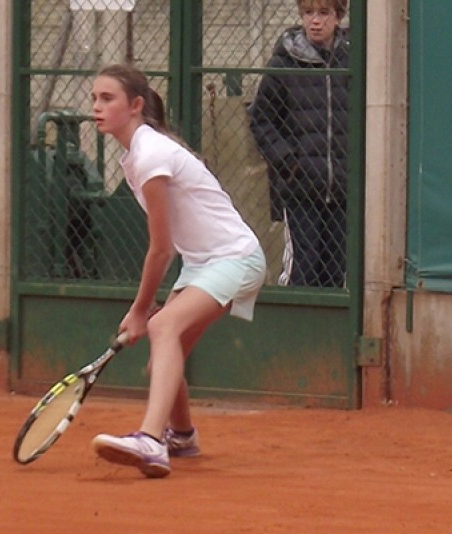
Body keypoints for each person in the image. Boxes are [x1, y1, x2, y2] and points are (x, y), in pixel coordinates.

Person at [88, 64, 267, 478]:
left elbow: (161, 249)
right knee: (163, 360)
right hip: (203, 262)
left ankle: (151, 441)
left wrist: (140, 310)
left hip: (234, 257)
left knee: (162, 326)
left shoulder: (151, 154)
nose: (96, 107)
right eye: (94, 98)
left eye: (107, 98)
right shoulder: (136, 155)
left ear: (136, 105)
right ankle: (182, 435)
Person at [248, 0, 350, 287]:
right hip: (300, 188)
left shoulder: (353, 61)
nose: (315, 21)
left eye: (323, 13)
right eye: (308, 13)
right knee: (302, 268)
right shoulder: (284, 64)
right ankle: (292, 314)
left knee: (336, 270)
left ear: (338, 16)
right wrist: (288, 163)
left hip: (343, 188)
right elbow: (261, 119)